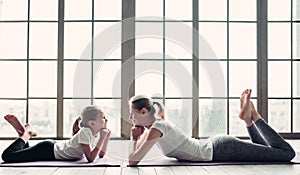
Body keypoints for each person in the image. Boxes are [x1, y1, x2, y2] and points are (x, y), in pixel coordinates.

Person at [128, 89, 296, 166]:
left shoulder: (157, 129)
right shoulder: (157, 126)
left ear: (143, 111)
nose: (130, 118)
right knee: (268, 151)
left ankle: (255, 116)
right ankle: (248, 121)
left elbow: (133, 160)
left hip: (223, 149)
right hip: (219, 146)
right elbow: (137, 155)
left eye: (132, 114)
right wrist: (138, 137)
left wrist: (133, 138)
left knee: (286, 154)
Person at [2, 106, 111, 163]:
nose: (106, 119)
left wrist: (106, 137)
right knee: (8, 156)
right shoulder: (85, 132)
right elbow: (91, 159)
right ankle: (28, 133)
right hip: (47, 151)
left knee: (22, 153)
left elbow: (100, 155)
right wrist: (101, 139)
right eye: (103, 117)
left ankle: (22, 133)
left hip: (50, 148)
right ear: (92, 123)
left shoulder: (92, 132)